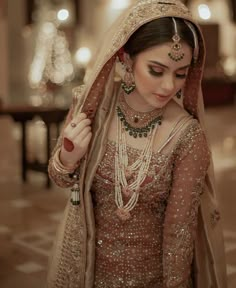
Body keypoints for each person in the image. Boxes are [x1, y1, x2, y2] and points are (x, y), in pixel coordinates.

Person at [46, 0, 227, 287]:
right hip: (88, 274)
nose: (169, 86)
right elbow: (60, 178)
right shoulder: (94, 109)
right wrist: (68, 158)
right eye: (157, 70)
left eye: (180, 74)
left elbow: (178, 235)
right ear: (125, 59)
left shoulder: (187, 136)